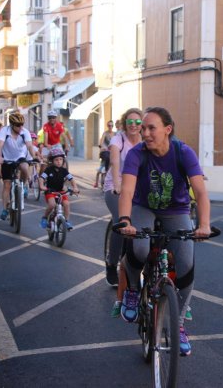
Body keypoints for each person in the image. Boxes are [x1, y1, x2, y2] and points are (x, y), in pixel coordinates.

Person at [117, 106, 211, 356]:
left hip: (177, 210)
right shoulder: (137, 154)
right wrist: (126, 220)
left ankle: (178, 325)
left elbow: (200, 192)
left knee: (186, 265)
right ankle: (134, 292)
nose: (144, 132)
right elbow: (126, 190)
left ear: (167, 130)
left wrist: (204, 225)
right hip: (143, 207)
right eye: (143, 128)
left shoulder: (183, 152)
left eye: (151, 128)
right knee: (138, 246)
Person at [102, 108, 143, 314]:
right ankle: (112, 262)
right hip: (115, 187)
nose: (134, 125)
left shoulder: (146, 140)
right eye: (130, 121)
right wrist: (117, 183)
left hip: (138, 190)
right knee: (120, 221)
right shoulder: (118, 140)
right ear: (124, 123)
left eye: (137, 121)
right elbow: (115, 161)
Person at [0, 112, 36, 220]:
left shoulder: (25, 132)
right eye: (18, 125)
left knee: (24, 167)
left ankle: (24, 184)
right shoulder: (4, 131)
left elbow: (30, 146)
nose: (21, 127)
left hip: (20, 157)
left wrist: (35, 156)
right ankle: (4, 209)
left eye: (22, 124)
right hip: (7, 159)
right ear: (12, 125)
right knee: (7, 185)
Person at [39, 148, 80, 230]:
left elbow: (71, 179)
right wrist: (42, 186)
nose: (59, 161)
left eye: (61, 159)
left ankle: (67, 221)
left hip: (61, 192)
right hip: (50, 191)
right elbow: (41, 178)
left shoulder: (64, 170)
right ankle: (44, 217)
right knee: (52, 204)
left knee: (67, 204)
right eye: (56, 160)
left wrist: (75, 187)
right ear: (52, 161)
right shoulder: (48, 170)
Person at [94, 120, 115, 188]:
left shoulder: (115, 134)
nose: (110, 127)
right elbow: (101, 141)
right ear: (107, 126)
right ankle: (98, 181)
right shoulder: (105, 133)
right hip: (105, 152)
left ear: (113, 126)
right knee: (104, 163)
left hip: (113, 152)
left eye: (111, 126)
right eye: (109, 125)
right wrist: (102, 146)